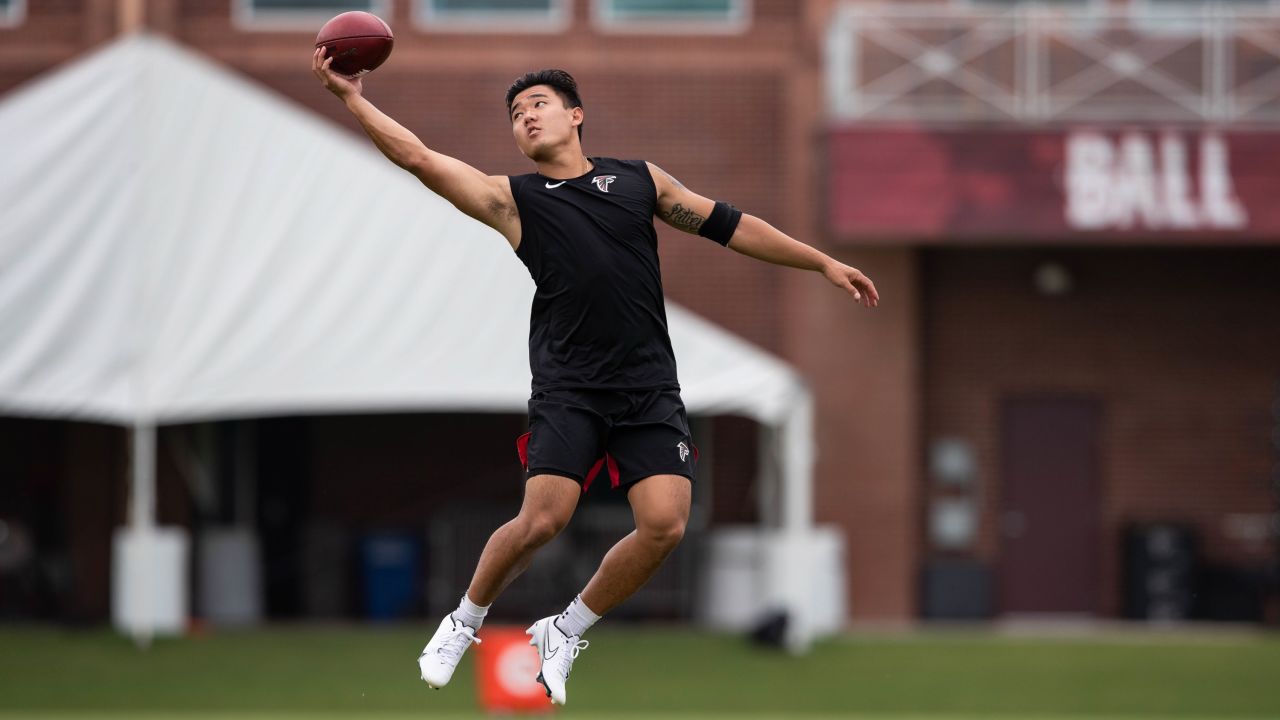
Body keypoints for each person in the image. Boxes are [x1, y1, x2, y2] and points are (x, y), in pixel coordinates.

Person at [311, 54, 878, 706]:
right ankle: (463, 622)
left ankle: (564, 629)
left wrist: (821, 263)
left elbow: (732, 225)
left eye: (539, 105)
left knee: (665, 524)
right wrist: (351, 98)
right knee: (543, 521)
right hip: (570, 387)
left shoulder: (640, 182)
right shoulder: (512, 200)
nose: (526, 116)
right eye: (516, 114)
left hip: (647, 388)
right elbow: (417, 158)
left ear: (575, 115)